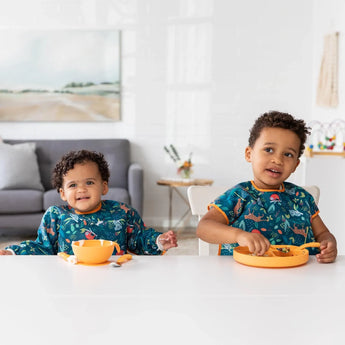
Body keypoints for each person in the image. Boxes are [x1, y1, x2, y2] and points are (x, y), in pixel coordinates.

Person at [196, 111, 337, 263]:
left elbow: (323, 233)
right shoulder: (238, 195)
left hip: (300, 275)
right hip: (246, 276)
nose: (277, 160)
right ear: (249, 154)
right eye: (269, 150)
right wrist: (239, 235)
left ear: (295, 165)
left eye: (288, 154)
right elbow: (204, 228)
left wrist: (329, 243)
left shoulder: (301, 197)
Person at [0, 150, 177, 256]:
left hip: (114, 275)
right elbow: (42, 247)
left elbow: (139, 239)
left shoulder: (123, 212)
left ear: (104, 187)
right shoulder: (56, 215)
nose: (81, 189)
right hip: (69, 278)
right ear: (62, 193)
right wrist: (13, 251)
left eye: (89, 182)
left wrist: (159, 240)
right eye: (73, 185)